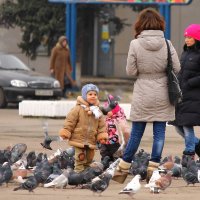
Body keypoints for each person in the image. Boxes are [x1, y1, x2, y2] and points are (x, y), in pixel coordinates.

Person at [113, 8, 180, 184]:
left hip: (143, 91)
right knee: (159, 133)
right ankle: (152, 168)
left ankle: (123, 168)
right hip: (163, 91)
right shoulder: (167, 44)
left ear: (140, 24)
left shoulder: (135, 44)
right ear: (160, 24)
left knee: (136, 133)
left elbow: (131, 70)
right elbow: (177, 68)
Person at [59, 83, 108, 172]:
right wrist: (66, 131)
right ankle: (78, 173)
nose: (93, 96)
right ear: (84, 95)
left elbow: (102, 126)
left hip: (91, 140)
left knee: (89, 158)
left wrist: (102, 136)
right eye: (90, 94)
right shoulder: (78, 109)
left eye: (95, 94)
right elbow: (70, 121)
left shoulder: (97, 111)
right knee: (80, 157)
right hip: (78, 139)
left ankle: (86, 173)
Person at [170, 24, 200, 166]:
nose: (187, 39)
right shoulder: (185, 53)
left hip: (193, 95)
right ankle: (197, 144)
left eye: (190, 37)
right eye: (186, 37)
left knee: (187, 125)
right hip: (182, 95)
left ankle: (189, 153)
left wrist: (190, 82)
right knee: (179, 126)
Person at [99, 95, 130, 164]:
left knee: (116, 154)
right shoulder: (104, 118)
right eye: (107, 110)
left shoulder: (118, 116)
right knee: (104, 154)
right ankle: (105, 164)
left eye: (111, 110)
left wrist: (114, 113)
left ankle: (116, 163)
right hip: (104, 140)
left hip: (115, 141)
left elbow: (122, 117)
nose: (109, 112)